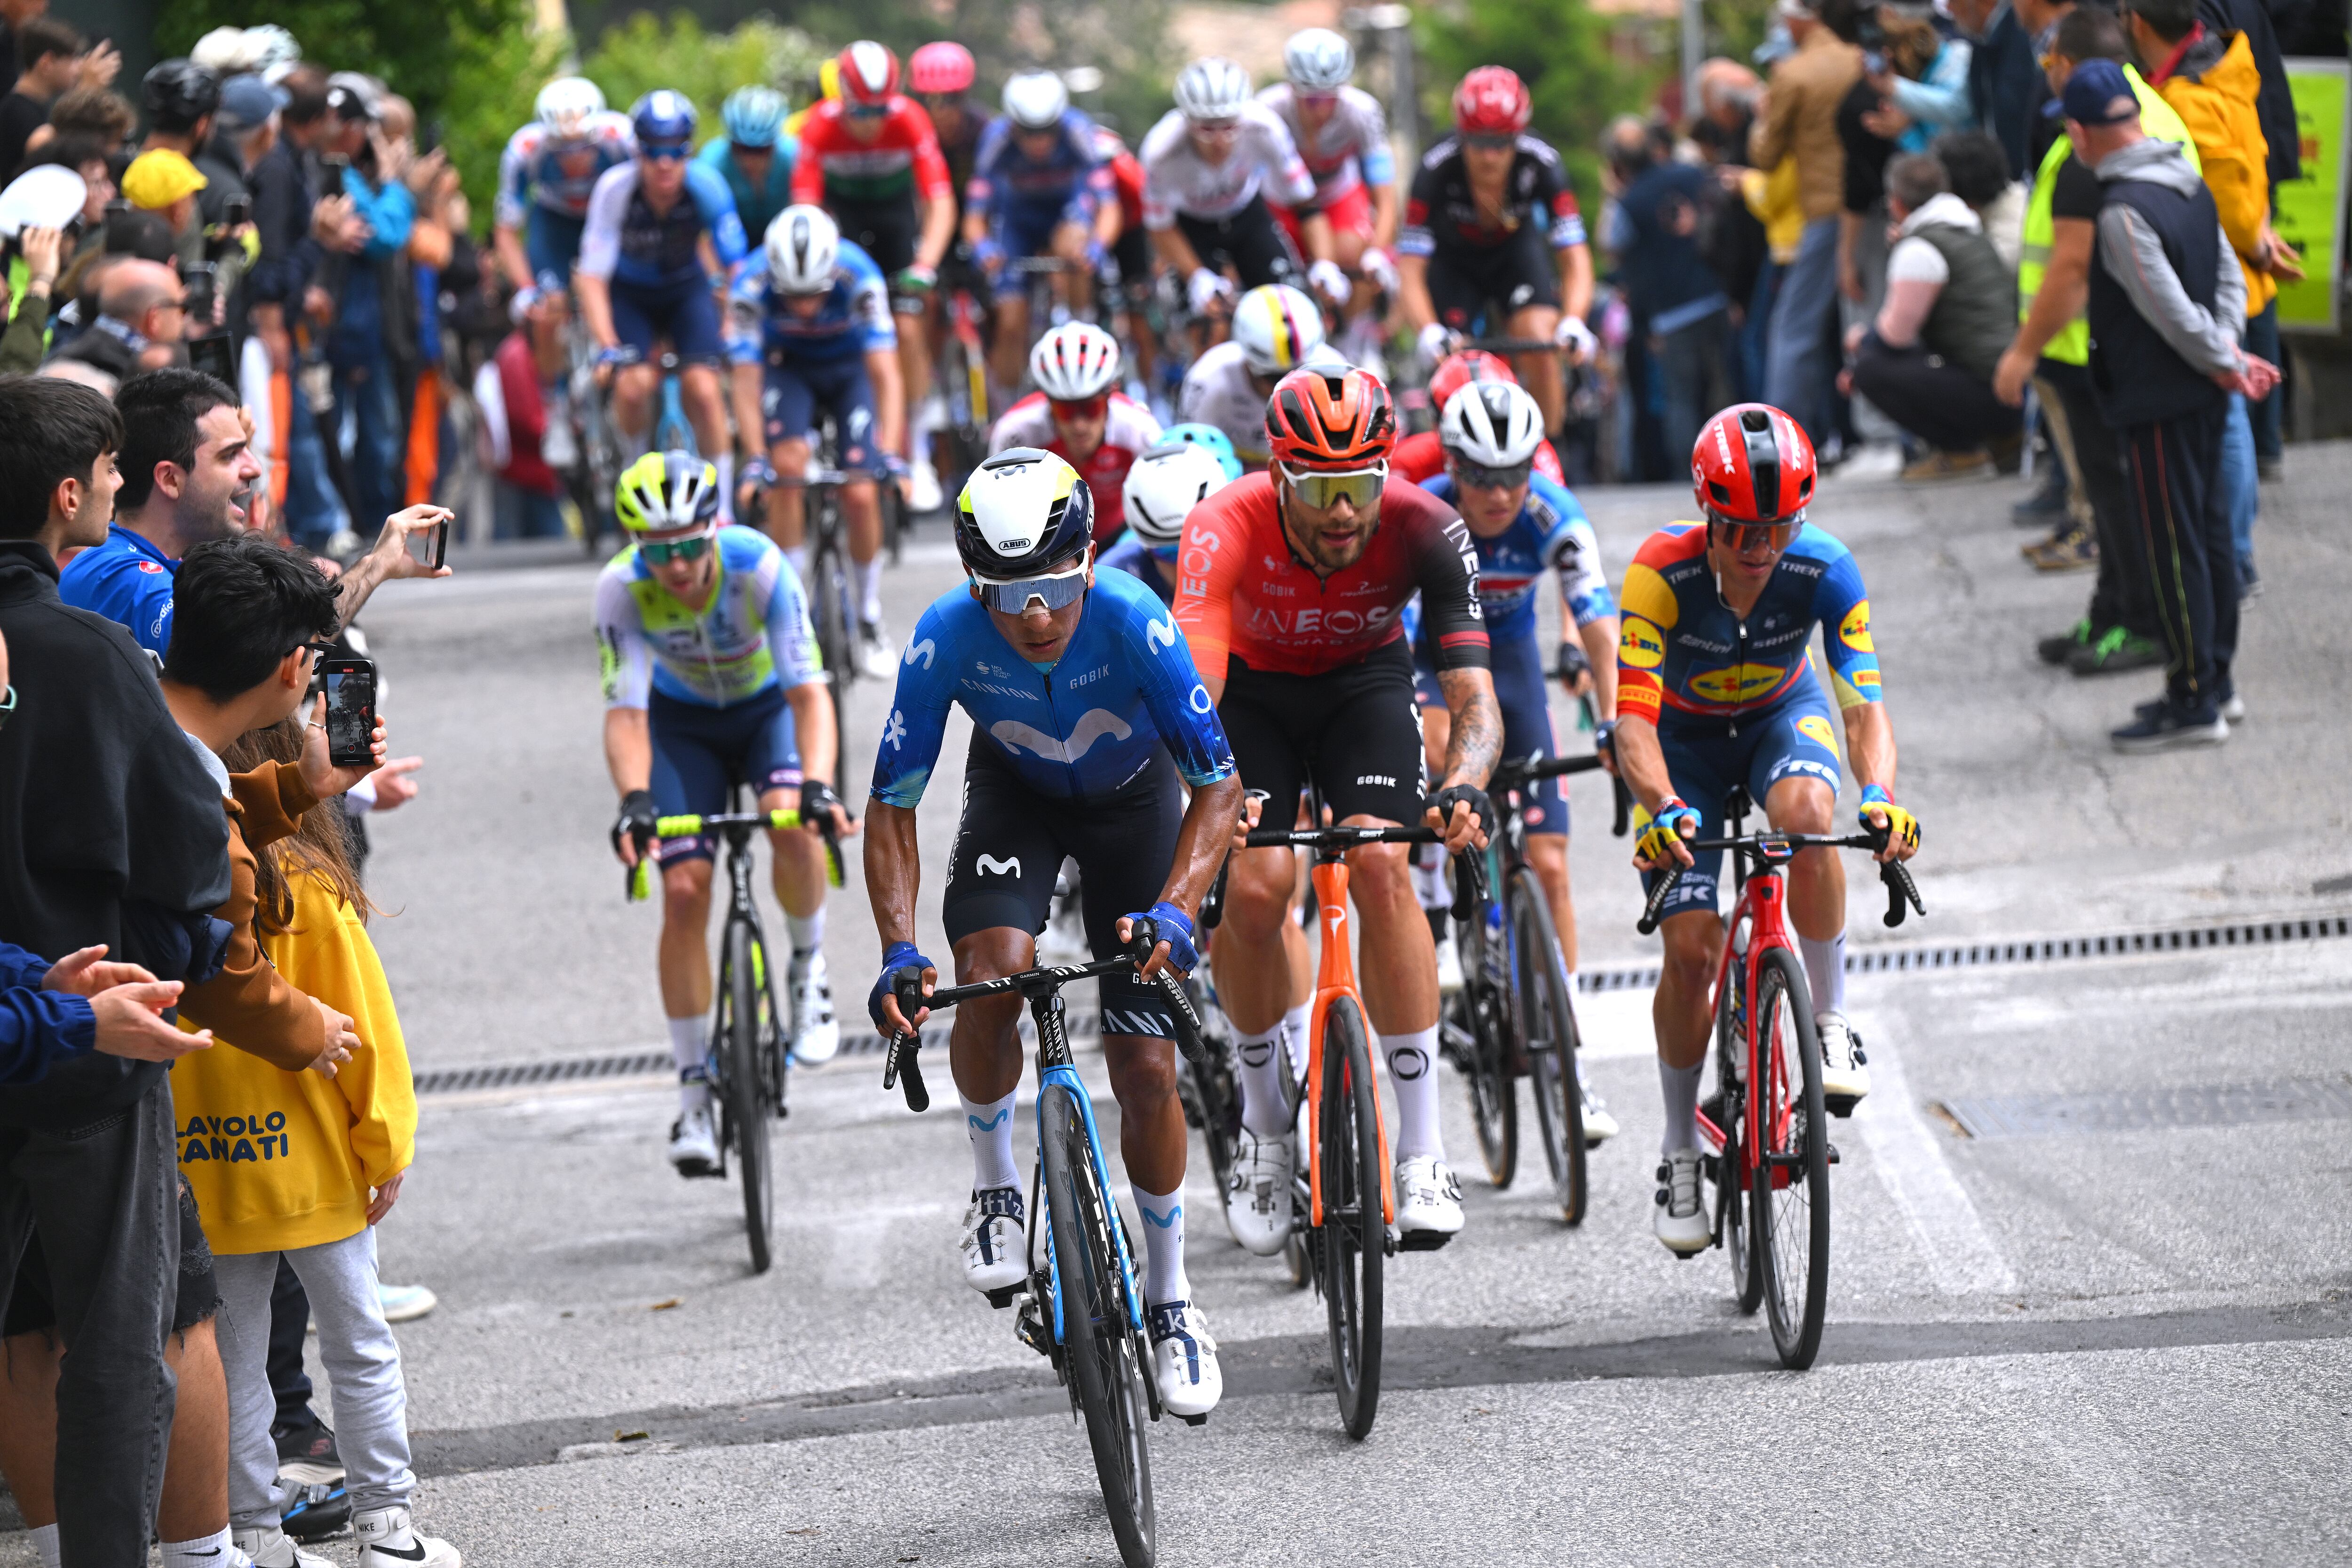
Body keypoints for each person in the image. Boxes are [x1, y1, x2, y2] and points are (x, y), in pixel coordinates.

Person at [866, 447, 1245, 1419]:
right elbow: (891, 804)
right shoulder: (943, 638)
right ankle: (996, 1184)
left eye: (1055, 586)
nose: (1035, 615)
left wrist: (1176, 908)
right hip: (1017, 797)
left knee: (1147, 1068)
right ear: (972, 583)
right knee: (992, 971)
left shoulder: (1134, 618)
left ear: (1088, 561)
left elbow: (1217, 785)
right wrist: (898, 949)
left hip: (1135, 806)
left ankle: (1172, 1296)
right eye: (1006, 593)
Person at [1174, 365, 1500, 1251]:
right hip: (1251, 696)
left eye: (1362, 485)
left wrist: (1465, 781)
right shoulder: (1222, 523)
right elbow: (1196, 683)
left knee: (1384, 863)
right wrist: (1211, 791)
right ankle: (1265, 1124)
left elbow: (1473, 694)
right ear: (1278, 475)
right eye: (1321, 490)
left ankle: (1423, 1148)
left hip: (1365, 684)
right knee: (1255, 889)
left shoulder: (1428, 525)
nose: (1346, 511)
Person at [0, 375, 233, 1568]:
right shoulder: (91, 648)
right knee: (131, 1330)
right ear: (66, 495)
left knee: (30, 1332)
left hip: (51, 1013)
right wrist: (166, 968)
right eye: (103, 470)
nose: (111, 484)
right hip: (94, 1039)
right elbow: (192, 841)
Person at [1612, 403, 1920, 1253]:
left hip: (1781, 719)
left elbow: (1863, 705)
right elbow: (1632, 723)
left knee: (1810, 817)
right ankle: (1682, 1143)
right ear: (1707, 513)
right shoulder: (1658, 574)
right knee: (1691, 951)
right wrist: (1661, 805)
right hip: (1681, 747)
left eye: (1779, 527)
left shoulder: (1827, 567)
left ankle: (1830, 1020)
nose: (1761, 547)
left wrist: (1880, 793)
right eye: (1743, 529)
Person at [189, 716, 460, 1568]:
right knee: (359, 1345)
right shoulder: (311, 886)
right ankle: (387, 1530)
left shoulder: (177, 885)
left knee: (233, 1362)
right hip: (317, 1168)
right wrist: (386, 1145)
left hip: (211, 1168)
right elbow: (365, 1030)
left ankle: (256, 1535)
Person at [599, 451, 850, 1176]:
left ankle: (807, 968)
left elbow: (810, 695)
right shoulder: (620, 589)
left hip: (767, 711)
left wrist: (820, 786)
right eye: (657, 552)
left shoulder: (760, 566)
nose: (675, 566)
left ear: (714, 530)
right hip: (683, 729)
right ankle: (693, 1096)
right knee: (683, 889)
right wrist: (635, 801)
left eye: (687, 546)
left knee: (793, 825)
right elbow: (626, 714)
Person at [1413, 378, 1621, 1140]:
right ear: (1453, 465)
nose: (1499, 494)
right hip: (1433, 659)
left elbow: (1598, 625)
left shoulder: (1555, 516)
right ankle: (1444, 917)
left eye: (1514, 474)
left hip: (1512, 664)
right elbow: (1396, 636)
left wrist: (1615, 721)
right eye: (1481, 476)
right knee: (1440, 755)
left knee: (1553, 865)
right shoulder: (1425, 515)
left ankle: (1572, 1060)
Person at [2061, 59, 2274, 750]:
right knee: (2209, 537)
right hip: (2204, 390)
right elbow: (2226, 279)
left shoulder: (2121, 210)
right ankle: (2217, 680)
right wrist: (2229, 353)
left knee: (2172, 547)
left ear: (2080, 133)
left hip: (2158, 399)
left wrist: (2222, 359)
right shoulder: (2186, 179)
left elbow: (2168, 311)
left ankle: (2191, 698)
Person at [1994, 5, 2192, 661]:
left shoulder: (2092, 143)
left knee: (2118, 496)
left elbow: (2072, 266)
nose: (2047, 73)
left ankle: (2140, 624)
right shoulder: (2149, 111)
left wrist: (2022, 351)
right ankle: (2111, 611)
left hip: (2092, 346)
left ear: (2070, 66)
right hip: (2118, 342)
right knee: (2115, 496)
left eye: (2051, 62)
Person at [62, 370, 451, 658]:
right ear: (170, 479)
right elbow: (266, 658)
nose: (253, 468)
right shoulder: (122, 576)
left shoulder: (164, 561)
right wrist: (372, 567)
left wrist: (377, 566)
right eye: (230, 455)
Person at [2127, 0, 2290, 594]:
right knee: (2228, 417)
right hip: (2229, 273)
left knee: (2224, 421)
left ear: (2136, 22)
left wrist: (2256, 241)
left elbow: (2227, 199)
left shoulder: (2189, 96)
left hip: (2214, 280)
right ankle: (2233, 558)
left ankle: (2235, 561)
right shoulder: (2219, 69)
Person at [726, 203, 902, 674]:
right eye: (793, 297)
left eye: (815, 295)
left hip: (850, 372)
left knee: (861, 492)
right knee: (785, 470)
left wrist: (889, 454)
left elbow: (886, 374)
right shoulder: (749, 283)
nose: (805, 307)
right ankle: (793, 613)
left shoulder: (859, 274)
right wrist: (755, 458)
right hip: (789, 371)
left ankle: (868, 616)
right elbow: (745, 380)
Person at [1398, 66, 1596, 438]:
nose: (1489, 157)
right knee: (1453, 358)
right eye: (1477, 142)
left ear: (1519, 135)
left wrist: (1574, 321)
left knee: (1539, 339)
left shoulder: (1542, 162)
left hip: (1515, 255)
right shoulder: (1435, 167)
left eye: (1502, 143)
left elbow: (1575, 257)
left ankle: (1548, 451)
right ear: (1461, 134)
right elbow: (1410, 268)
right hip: (1454, 262)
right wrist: (1428, 330)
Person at [790, 42, 957, 480]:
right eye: (861, 112)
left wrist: (925, 264)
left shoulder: (909, 118)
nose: (871, 123)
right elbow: (806, 209)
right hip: (842, 226)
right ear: (843, 98)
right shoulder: (819, 126)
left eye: (880, 111)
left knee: (908, 327)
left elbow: (940, 201)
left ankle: (916, 448)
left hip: (895, 225)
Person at [577, 90, 746, 503]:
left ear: (689, 151)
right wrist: (607, 344)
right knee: (633, 386)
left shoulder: (707, 186)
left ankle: (722, 505)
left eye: (676, 151)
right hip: (630, 295)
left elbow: (737, 269)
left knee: (705, 389)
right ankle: (633, 467)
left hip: (686, 290)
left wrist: (732, 325)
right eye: (653, 152)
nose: (665, 163)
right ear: (638, 151)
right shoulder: (615, 190)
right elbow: (591, 277)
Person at [1845, 151, 2021, 475]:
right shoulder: (1968, 230)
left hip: (1990, 391)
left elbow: (1895, 337)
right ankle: (2003, 440)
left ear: (1897, 203)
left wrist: (1861, 343)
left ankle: (1960, 452)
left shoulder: (1920, 249)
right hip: (2011, 385)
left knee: (1870, 368)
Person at [1140, 57, 1343, 324]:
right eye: (1206, 128)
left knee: (1290, 311)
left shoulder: (1265, 128)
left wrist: (1325, 264)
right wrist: (1198, 277)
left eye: (1229, 126)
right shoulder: (1161, 151)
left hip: (1248, 217)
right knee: (1208, 321)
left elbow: (1306, 203)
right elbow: (1159, 226)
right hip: (1191, 226)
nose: (1219, 141)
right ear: (1187, 120)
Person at [1752, 0, 1865, 448]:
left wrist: (1762, 117)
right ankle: (1871, 435)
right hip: (1872, 203)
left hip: (1823, 211)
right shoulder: (1857, 59)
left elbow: (1765, 155)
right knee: (1865, 316)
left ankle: (1781, 438)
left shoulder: (1793, 74)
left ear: (1799, 18)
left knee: (1793, 327)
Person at [964, 71, 1117, 395]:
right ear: (1012, 126)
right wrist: (983, 249)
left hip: (1066, 213)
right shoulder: (996, 139)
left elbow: (1108, 206)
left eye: (1047, 131)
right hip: (1017, 223)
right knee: (1009, 323)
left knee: (1075, 246)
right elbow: (975, 214)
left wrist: (1097, 249)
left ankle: (1083, 325)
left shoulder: (1078, 131)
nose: (1038, 142)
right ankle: (1007, 405)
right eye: (1028, 132)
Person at [1260, 28, 1400, 356]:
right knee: (1278, 267)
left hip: (1338, 193)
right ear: (1291, 89)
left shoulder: (1362, 111)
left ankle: (1352, 343)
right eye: (1311, 100)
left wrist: (1378, 253)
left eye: (1330, 99)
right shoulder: (1267, 111)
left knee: (1355, 255)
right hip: (1283, 199)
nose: (1321, 110)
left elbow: (1385, 197)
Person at [1603, 114, 1733, 465]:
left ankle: (1691, 472)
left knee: (1681, 399)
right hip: (1716, 296)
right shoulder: (1693, 175)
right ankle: (1737, 464)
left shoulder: (1628, 204)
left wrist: (1645, 323)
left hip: (1671, 315)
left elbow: (1617, 253)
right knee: (1727, 389)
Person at [987, 320, 1160, 544]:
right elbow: (997, 512)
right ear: (1049, 405)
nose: (1080, 426)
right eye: (1066, 411)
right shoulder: (1015, 433)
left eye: (1091, 409)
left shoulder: (1139, 429)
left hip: (1122, 535)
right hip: (1046, 541)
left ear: (1110, 398)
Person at [493, 77, 635, 304]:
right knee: (548, 305)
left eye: (585, 145)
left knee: (626, 297)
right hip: (554, 221)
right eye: (562, 148)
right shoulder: (523, 152)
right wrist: (526, 289)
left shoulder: (624, 138)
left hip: (609, 219)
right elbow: (506, 230)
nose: (575, 157)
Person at [1176, 280, 1329, 471]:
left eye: (1295, 376)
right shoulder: (1208, 379)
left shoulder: (1334, 377)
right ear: (1247, 361)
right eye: (1273, 378)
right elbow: (1189, 463)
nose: (1281, 389)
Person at [1390, 350, 1566, 486]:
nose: (1498, 496)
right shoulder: (1409, 461)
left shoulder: (1538, 450)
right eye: (1473, 472)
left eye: (1498, 423)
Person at [1100, 439, 1235, 604]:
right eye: (1171, 553)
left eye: (1200, 546)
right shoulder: (1113, 578)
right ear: (1147, 549)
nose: (1186, 566)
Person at [39, 255, 183, 393]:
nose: (183, 318)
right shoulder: (139, 386)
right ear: (155, 319)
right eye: (181, 308)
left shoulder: (61, 356)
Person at [697, 86, 795, 257]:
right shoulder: (711, 163)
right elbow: (702, 234)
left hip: (783, 243)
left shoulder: (795, 158)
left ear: (776, 143)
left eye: (762, 150)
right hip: (728, 242)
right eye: (742, 148)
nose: (751, 159)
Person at [0, 14, 81, 178]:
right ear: (47, 63)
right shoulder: (16, 112)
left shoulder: (36, 107)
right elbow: (52, 159)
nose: (78, 70)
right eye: (72, 61)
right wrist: (85, 95)